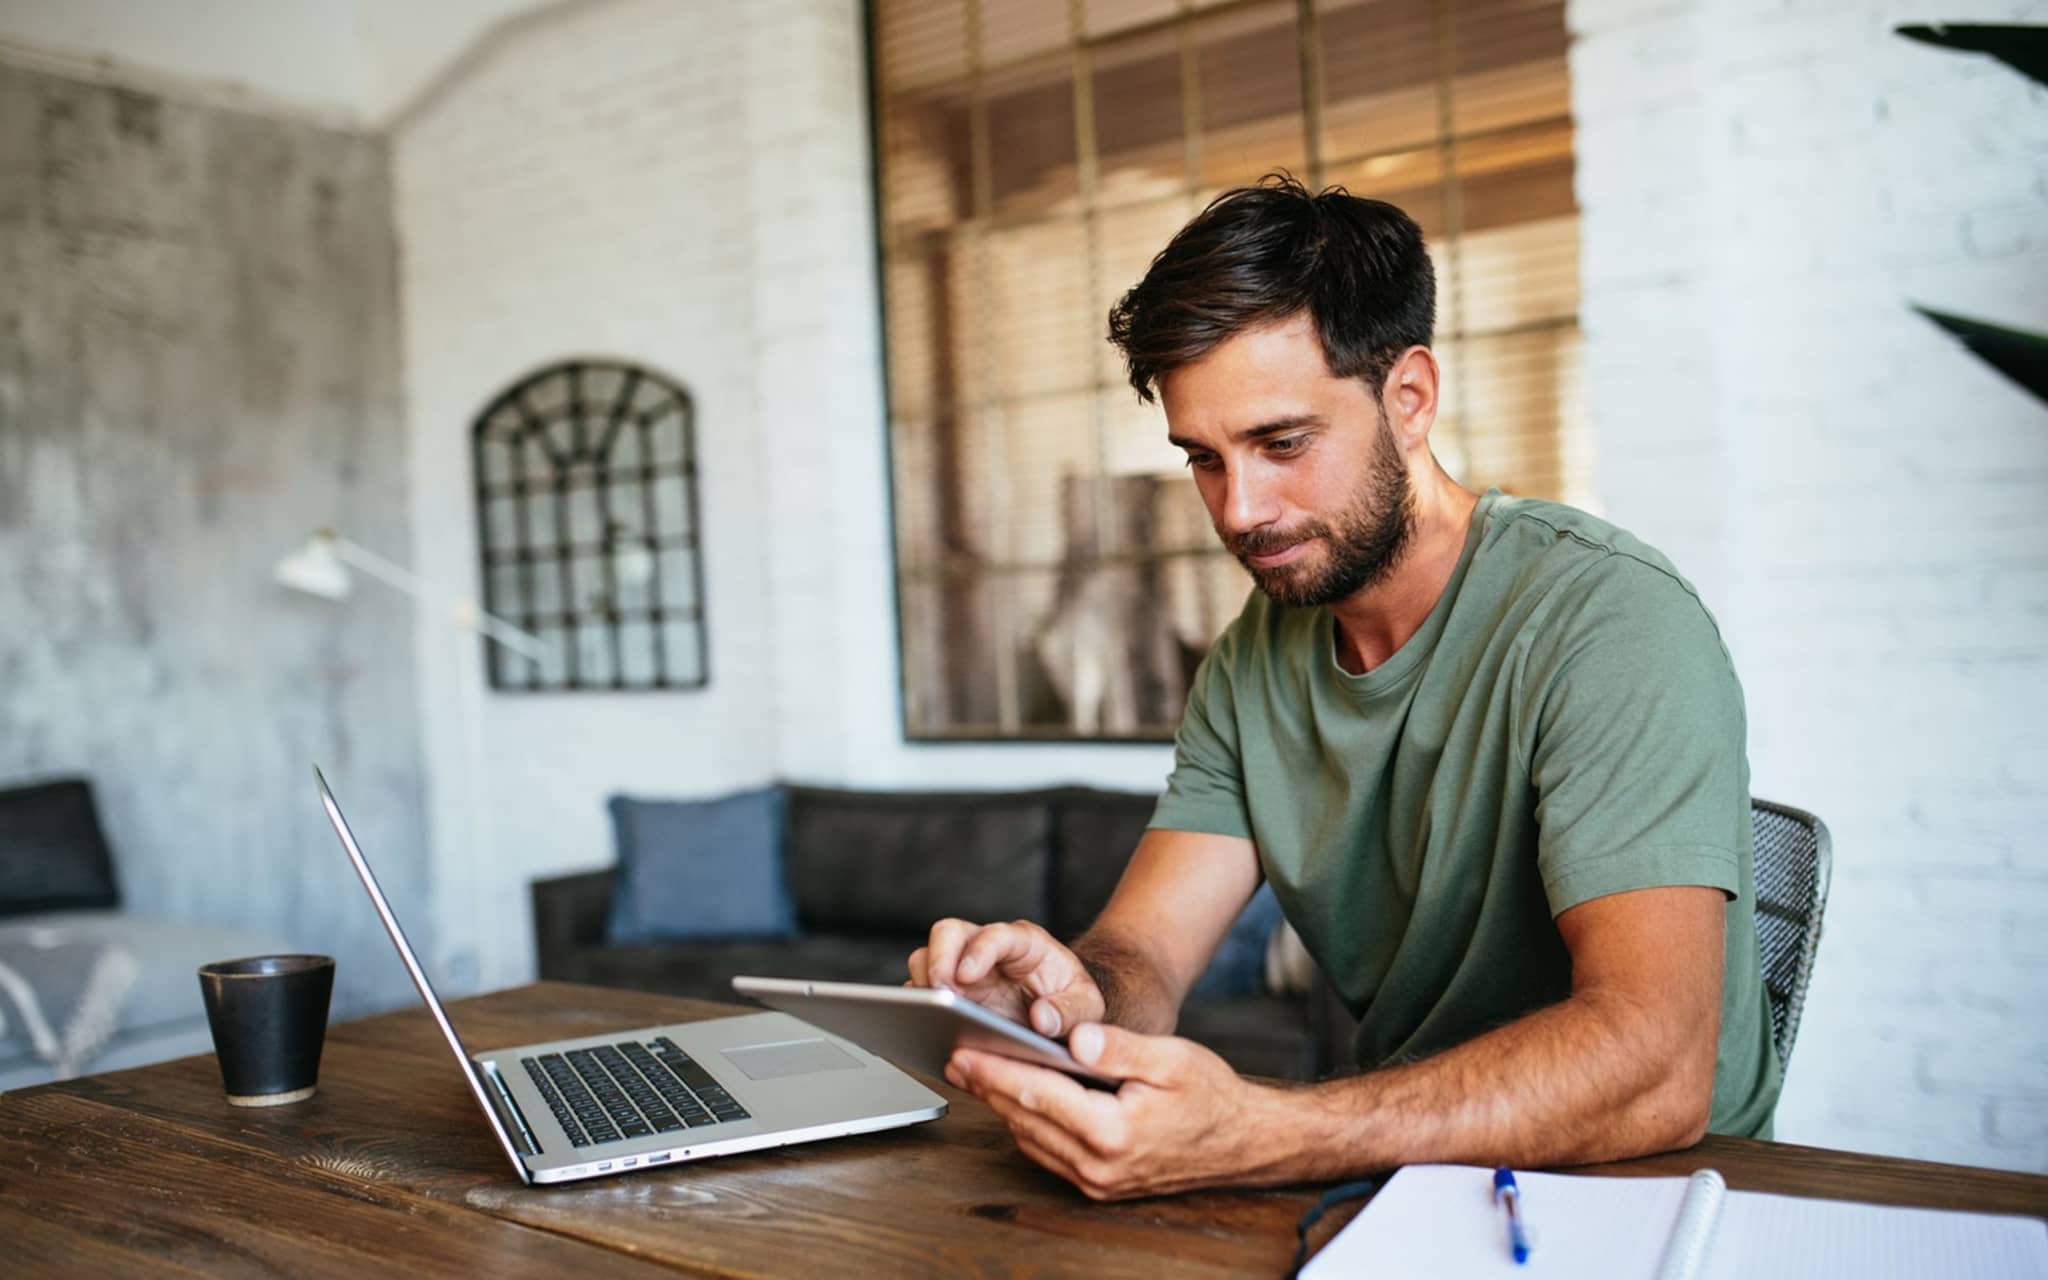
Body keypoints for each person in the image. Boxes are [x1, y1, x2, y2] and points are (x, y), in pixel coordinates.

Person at [906, 174, 1781, 1200]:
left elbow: (1655, 1067)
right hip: (1408, 1175)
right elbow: (1144, 951)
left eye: (1281, 443)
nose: (1239, 510)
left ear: (1407, 397)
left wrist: (1265, 1130)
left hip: (1655, 1190)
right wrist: (1061, 1000)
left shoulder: (1608, 620)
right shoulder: (1252, 657)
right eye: (1202, 458)